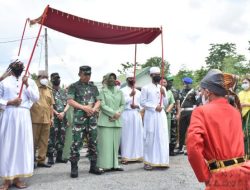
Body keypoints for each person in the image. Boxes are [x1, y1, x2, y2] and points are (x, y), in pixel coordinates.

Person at [186, 69, 250, 189]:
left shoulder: (201, 112)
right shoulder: (236, 112)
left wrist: (204, 176)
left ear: (208, 91)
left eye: (202, 90)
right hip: (244, 174)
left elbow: (193, 148)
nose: (201, 94)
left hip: (221, 177)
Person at [0, 58, 39, 189]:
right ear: (11, 66)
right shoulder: (4, 82)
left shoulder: (30, 81)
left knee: (21, 146)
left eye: (21, 64)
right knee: (7, 146)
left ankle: (17, 178)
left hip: (24, 116)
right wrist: (10, 102)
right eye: (16, 64)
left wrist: (27, 84)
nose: (19, 66)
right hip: (9, 115)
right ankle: (6, 180)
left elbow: (36, 98)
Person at [67, 66, 103, 177]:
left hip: (91, 119)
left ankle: (93, 167)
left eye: (89, 74)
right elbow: (70, 101)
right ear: (80, 74)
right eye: (85, 74)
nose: (88, 77)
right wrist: (84, 108)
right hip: (79, 120)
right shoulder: (74, 86)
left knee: (93, 143)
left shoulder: (93, 87)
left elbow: (99, 101)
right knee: (76, 143)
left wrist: (93, 109)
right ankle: (74, 168)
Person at [140, 67, 169, 170]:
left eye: (158, 74)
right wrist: (153, 107)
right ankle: (148, 162)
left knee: (162, 136)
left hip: (161, 115)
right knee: (150, 136)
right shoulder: (145, 88)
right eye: (155, 74)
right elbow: (142, 102)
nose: (157, 76)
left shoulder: (163, 88)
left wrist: (164, 94)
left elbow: (166, 103)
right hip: (151, 115)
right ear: (151, 75)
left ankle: (162, 161)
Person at [97, 73, 125, 171]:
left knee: (115, 145)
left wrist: (118, 113)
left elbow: (123, 104)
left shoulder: (120, 92)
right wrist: (113, 113)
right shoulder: (102, 92)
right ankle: (104, 165)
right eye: (110, 78)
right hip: (105, 121)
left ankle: (115, 165)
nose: (112, 80)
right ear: (106, 79)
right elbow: (102, 105)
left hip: (116, 121)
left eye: (114, 78)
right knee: (105, 144)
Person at [31, 70, 54, 168]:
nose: (45, 78)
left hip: (46, 119)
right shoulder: (33, 88)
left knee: (44, 141)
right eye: (43, 76)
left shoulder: (49, 90)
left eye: (46, 77)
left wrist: (51, 118)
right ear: (38, 77)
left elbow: (51, 105)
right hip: (35, 118)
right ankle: (31, 161)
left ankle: (41, 160)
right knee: (33, 141)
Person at [120, 72, 143, 164]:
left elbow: (142, 105)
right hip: (126, 114)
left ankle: (138, 156)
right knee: (126, 135)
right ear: (126, 80)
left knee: (137, 134)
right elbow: (121, 103)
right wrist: (130, 96)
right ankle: (125, 156)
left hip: (136, 114)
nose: (132, 80)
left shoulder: (139, 92)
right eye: (130, 78)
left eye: (133, 78)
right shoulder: (122, 91)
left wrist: (137, 106)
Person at [47, 73, 69, 165]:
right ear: (51, 80)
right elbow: (49, 105)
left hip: (63, 117)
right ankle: (50, 157)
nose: (57, 80)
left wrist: (63, 112)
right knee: (52, 136)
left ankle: (59, 157)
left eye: (58, 78)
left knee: (62, 137)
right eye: (55, 79)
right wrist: (57, 113)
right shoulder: (49, 91)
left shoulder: (64, 91)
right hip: (54, 117)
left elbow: (69, 102)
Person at [176, 77, 197, 155]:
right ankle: (181, 147)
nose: (186, 85)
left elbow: (196, 103)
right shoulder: (180, 92)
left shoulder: (193, 92)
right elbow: (178, 103)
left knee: (190, 131)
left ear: (190, 84)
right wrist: (178, 113)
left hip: (191, 112)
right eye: (185, 83)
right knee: (182, 130)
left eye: (188, 84)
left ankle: (188, 148)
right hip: (183, 112)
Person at [161, 77, 176, 156]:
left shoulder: (169, 92)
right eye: (162, 82)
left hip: (167, 115)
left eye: (165, 82)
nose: (163, 84)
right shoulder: (156, 91)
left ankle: (166, 150)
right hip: (157, 114)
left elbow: (172, 103)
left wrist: (167, 111)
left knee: (167, 132)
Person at [238, 75, 250, 159]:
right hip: (241, 115)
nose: (244, 84)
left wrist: (247, 104)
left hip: (249, 114)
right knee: (243, 135)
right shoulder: (240, 93)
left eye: (246, 82)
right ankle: (244, 154)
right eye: (243, 83)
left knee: (248, 133)